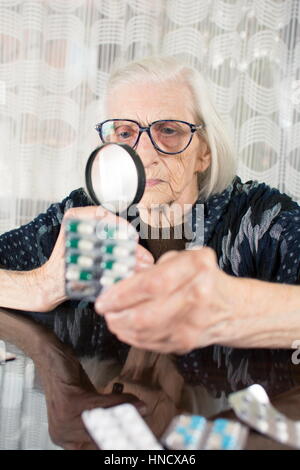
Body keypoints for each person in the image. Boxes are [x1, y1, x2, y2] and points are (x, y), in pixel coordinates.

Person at [1, 55, 300, 404]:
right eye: (125, 133)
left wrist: (232, 307)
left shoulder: (264, 222)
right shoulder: (82, 213)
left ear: (204, 152)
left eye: (169, 131)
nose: (143, 153)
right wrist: (42, 285)